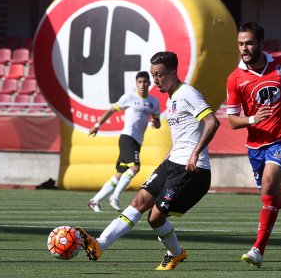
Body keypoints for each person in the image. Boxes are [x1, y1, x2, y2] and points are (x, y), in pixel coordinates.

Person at [76, 51, 220, 270]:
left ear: (173, 72)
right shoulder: (170, 98)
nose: (156, 81)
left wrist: (195, 152)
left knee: (154, 219)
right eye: (153, 75)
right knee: (137, 202)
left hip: (192, 170)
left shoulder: (188, 93)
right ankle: (99, 245)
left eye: (160, 75)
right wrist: (172, 151)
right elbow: (185, 132)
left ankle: (176, 254)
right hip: (172, 163)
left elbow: (212, 122)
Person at [226, 22, 281, 267]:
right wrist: (254, 118)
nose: (244, 48)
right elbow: (233, 121)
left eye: (249, 43)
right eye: (240, 44)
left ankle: (258, 249)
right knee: (271, 195)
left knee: (268, 185)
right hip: (256, 145)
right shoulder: (235, 79)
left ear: (261, 44)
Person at [87, 71, 161, 212]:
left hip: (138, 142)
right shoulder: (129, 97)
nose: (143, 85)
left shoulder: (153, 102)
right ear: (136, 83)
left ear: (149, 83)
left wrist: (155, 122)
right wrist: (97, 126)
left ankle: (94, 201)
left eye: (145, 82)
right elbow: (111, 111)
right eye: (140, 82)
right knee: (135, 167)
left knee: (121, 173)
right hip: (127, 137)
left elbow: (157, 123)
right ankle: (114, 197)